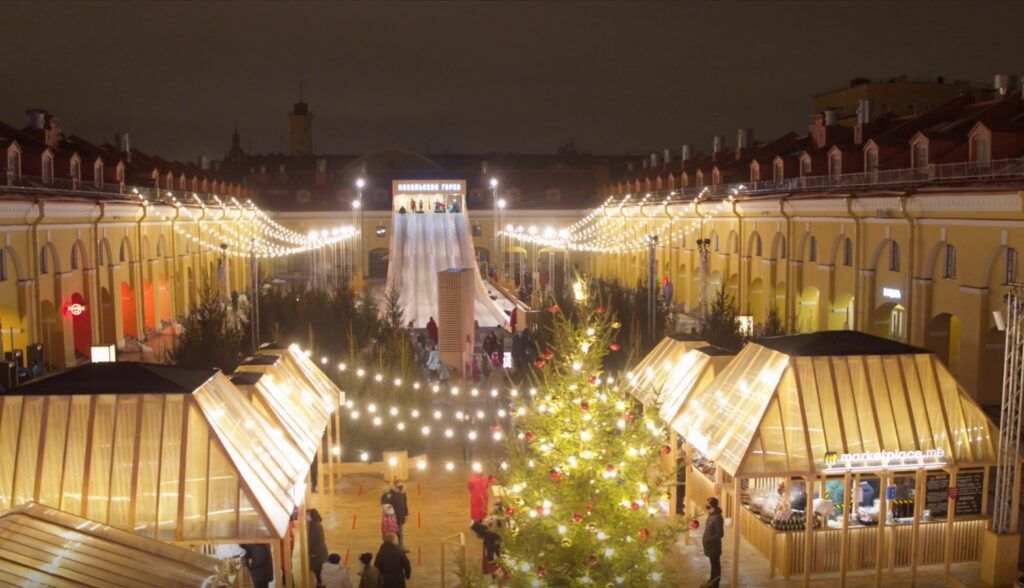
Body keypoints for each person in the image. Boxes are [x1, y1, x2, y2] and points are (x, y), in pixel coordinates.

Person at [702, 497, 724, 588]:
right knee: (713, 565)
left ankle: (715, 584)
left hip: (714, 546)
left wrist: (709, 539)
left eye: (708, 504)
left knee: (715, 565)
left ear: (712, 505)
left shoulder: (717, 517)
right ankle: (711, 581)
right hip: (709, 545)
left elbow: (720, 533)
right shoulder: (711, 514)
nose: (706, 506)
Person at [381, 481, 409, 548]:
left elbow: (405, 504)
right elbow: (384, 501)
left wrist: (406, 514)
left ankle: (401, 546)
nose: (400, 486)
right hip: (392, 517)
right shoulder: (390, 493)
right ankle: (391, 547)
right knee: (392, 532)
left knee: (400, 533)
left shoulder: (403, 493)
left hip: (400, 516)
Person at [307, 508, 330, 587]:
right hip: (316, 552)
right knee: (317, 569)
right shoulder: (313, 524)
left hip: (318, 553)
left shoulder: (316, 526)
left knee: (318, 569)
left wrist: (314, 553)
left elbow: (320, 540)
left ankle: (320, 584)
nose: (306, 517)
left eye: (307, 515)